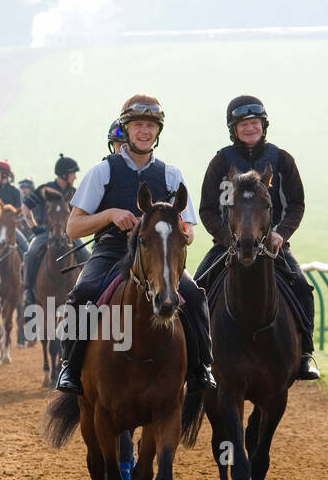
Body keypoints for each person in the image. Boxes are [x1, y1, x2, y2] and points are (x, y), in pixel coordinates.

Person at [54, 95, 216, 395]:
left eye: (151, 125)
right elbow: (73, 227)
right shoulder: (102, 171)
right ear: (126, 129)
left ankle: (201, 368)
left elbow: (190, 231)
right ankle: (70, 368)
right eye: (138, 125)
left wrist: (163, 230)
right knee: (83, 293)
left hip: (160, 256)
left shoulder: (171, 174)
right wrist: (110, 215)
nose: (145, 131)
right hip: (112, 251)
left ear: (158, 131)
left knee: (194, 295)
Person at [194, 96, 319, 380]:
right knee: (196, 288)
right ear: (233, 129)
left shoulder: (282, 159)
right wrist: (228, 238)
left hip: (272, 246)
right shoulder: (221, 162)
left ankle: (305, 355)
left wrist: (280, 234)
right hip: (228, 246)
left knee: (302, 287)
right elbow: (208, 209)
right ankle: (196, 357)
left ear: (263, 125)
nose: (250, 129)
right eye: (243, 124)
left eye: (255, 123)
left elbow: (296, 205)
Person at [22, 153, 86, 308]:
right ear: (64, 175)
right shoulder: (45, 189)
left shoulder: (74, 193)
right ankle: (28, 291)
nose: (75, 177)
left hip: (69, 233)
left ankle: (87, 292)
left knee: (86, 256)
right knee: (31, 252)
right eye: (73, 174)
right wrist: (34, 228)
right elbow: (25, 208)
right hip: (46, 233)